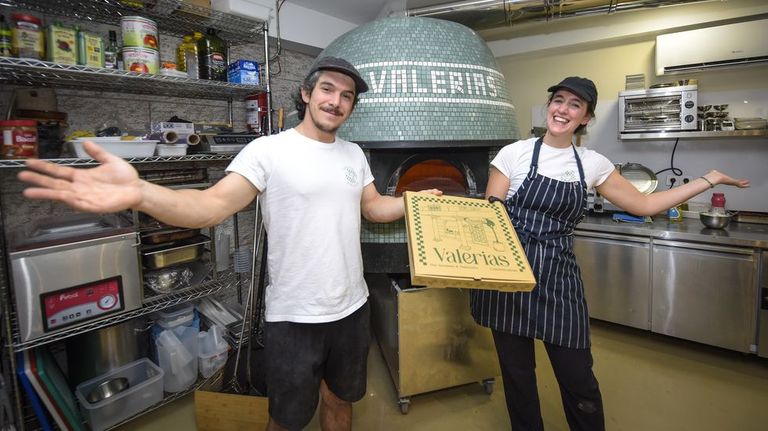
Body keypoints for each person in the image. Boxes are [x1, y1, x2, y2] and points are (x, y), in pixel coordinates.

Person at [18, 56, 441, 431]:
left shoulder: (353, 154)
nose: (336, 102)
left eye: (346, 96)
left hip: (352, 307)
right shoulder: (268, 151)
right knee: (287, 418)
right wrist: (141, 193)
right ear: (306, 93)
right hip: (294, 316)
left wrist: (411, 202)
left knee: (340, 400)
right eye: (327, 90)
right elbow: (210, 206)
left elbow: (372, 206)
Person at [470, 76, 749, 431]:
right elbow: (491, 217)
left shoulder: (593, 163)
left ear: (586, 117)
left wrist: (708, 179)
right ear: (549, 106)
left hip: (557, 280)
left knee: (578, 379)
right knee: (518, 378)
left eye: (575, 105)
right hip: (508, 279)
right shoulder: (514, 153)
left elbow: (645, 205)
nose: (563, 109)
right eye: (559, 100)